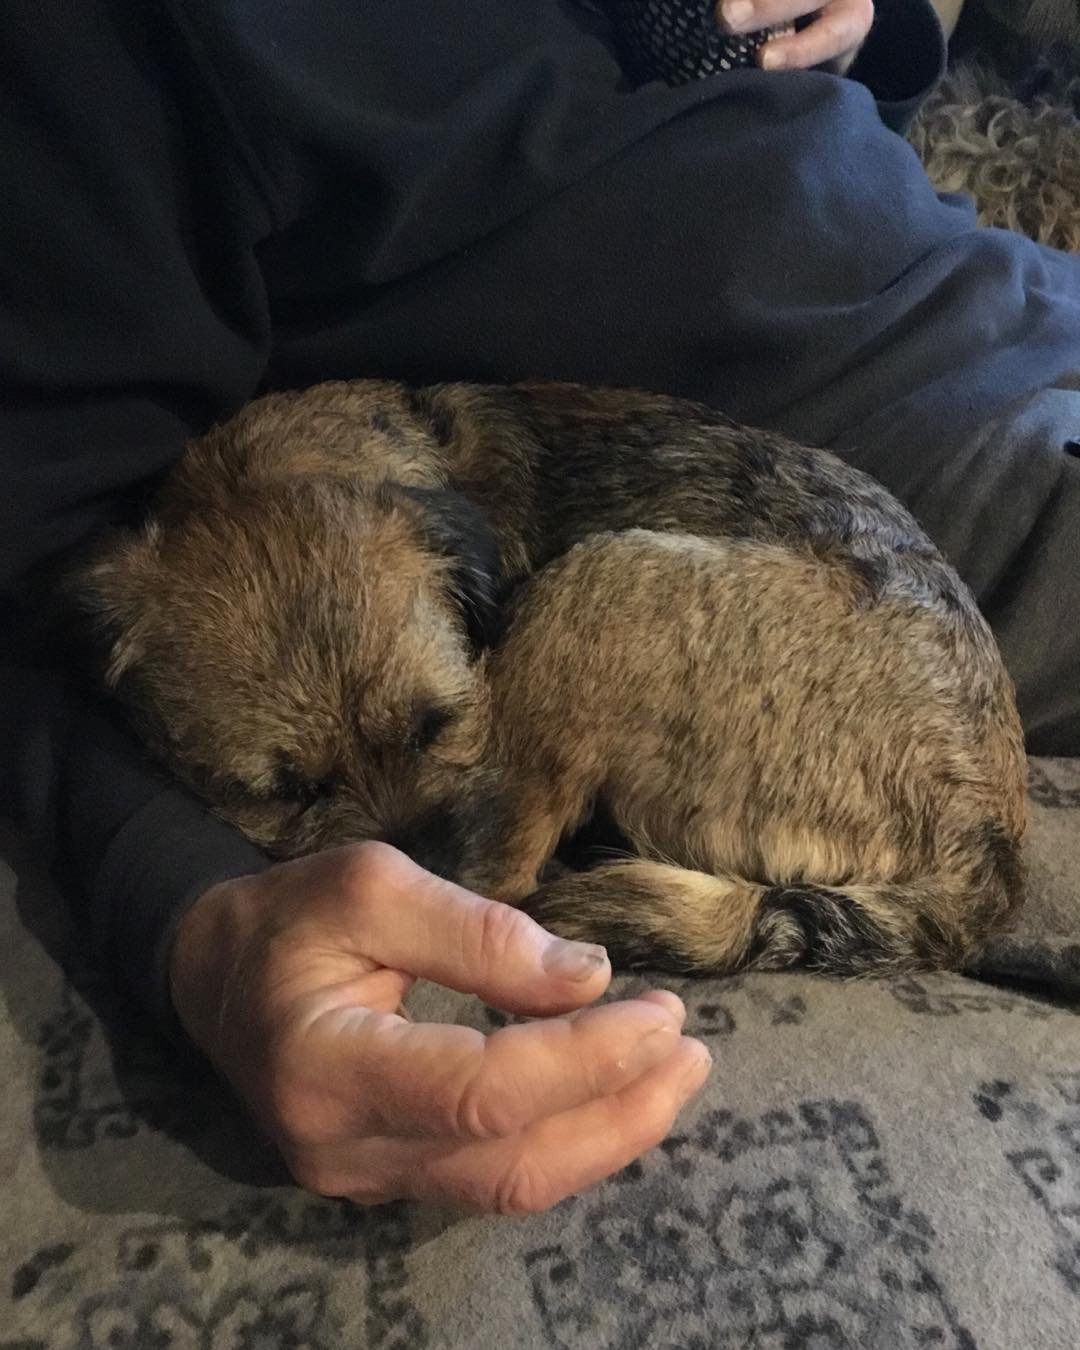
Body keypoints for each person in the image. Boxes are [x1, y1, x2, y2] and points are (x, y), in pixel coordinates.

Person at [2, 0, 1078, 1214]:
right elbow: (41, 553)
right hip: (936, 489)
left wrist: (874, 22)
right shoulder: (102, 54)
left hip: (1008, 320)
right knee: (607, 614)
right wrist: (194, 922)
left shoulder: (443, 537)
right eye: (286, 788)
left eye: (436, 726)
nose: (388, 823)